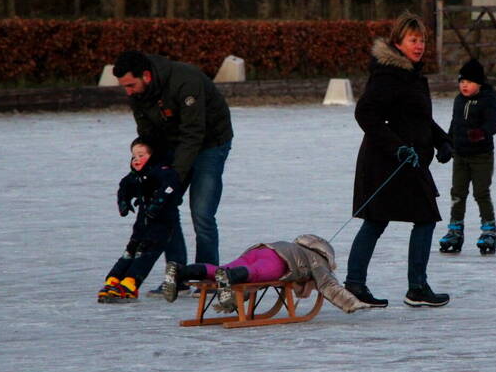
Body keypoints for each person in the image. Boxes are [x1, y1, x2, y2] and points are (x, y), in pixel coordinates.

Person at [344, 12, 453, 308]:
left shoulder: (412, 75)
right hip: (387, 161)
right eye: (413, 40)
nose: (419, 46)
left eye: (422, 41)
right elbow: (365, 114)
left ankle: (411, 287)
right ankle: (362, 284)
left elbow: (419, 119)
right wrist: (397, 148)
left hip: (411, 161)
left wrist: (442, 140)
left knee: (420, 218)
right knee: (386, 220)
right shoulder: (388, 75)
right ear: (398, 42)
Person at [113, 51, 233, 297]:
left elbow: (194, 132)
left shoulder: (185, 81)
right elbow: (147, 132)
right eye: (124, 87)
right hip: (173, 144)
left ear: (145, 76)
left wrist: (174, 177)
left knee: (202, 212)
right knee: (164, 207)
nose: (128, 92)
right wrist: (146, 164)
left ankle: (207, 276)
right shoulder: (139, 93)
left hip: (210, 143)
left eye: (130, 85)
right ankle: (177, 276)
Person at [159, 234, 369, 314]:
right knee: (255, 273)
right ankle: (229, 278)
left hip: (258, 249)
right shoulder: (319, 261)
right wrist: (354, 303)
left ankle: (181, 272)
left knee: (223, 269)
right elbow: (329, 286)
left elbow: (256, 286)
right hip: (278, 261)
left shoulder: (293, 245)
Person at [98, 138, 182, 303]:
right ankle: (113, 280)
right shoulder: (136, 176)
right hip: (142, 224)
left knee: (145, 252)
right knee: (130, 250)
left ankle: (130, 283)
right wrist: (123, 202)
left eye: (141, 155)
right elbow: (124, 186)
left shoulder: (163, 172)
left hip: (162, 224)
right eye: (134, 156)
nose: (136, 159)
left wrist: (156, 205)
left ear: (152, 156)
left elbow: (169, 187)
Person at [438, 58, 496, 255]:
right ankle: (455, 229)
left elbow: (494, 124)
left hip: (481, 156)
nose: (464, 85)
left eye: (469, 82)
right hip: (460, 156)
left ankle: (489, 230)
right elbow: (454, 124)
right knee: (457, 193)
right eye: (462, 81)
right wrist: (446, 144)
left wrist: (480, 133)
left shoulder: (487, 101)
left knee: (481, 193)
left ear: (479, 84)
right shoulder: (458, 100)